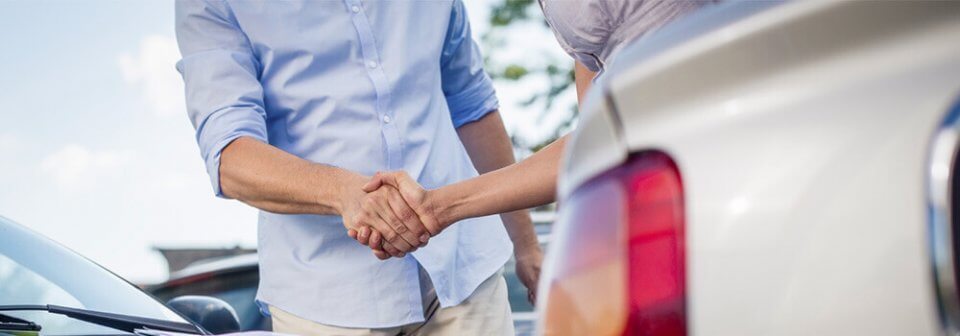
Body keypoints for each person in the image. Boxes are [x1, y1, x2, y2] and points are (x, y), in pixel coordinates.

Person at [174, 1, 541, 335]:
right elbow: (230, 156)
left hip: (465, 274)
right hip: (327, 301)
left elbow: (471, 103)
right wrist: (344, 193)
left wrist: (525, 243)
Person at [356, 0, 715, 253]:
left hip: (719, 155)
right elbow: (599, 118)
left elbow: (650, 114)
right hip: (658, 182)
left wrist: (438, 207)